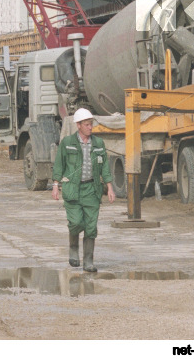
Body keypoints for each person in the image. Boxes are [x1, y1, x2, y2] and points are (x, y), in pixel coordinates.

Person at [52, 108, 115, 272]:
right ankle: (73, 249)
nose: (90, 127)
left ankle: (88, 261)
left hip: (92, 190)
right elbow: (59, 164)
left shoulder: (99, 144)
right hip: (73, 189)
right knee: (75, 222)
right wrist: (55, 186)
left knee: (91, 227)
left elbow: (105, 167)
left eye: (91, 124)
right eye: (87, 125)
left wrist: (109, 187)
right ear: (78, 125)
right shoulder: (67, 143)